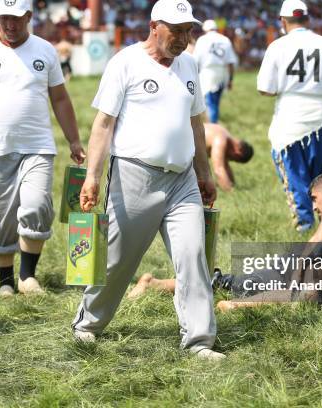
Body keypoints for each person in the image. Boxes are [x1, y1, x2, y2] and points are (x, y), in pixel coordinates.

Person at [71, 0, 223, 360]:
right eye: (177, 30)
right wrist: (92, 176)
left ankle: (199, 341)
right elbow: (103, 125)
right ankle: (87, 325)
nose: (185, 38)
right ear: (155, 26)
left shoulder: (189, 65)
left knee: (193, 256)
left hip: (182, 181)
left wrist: (204, 172)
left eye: (189, 31)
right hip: (133, 177)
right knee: (116, 261)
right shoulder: (126, 62)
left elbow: (196, 123)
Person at [130, 173, 322, 312]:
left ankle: (251, 299)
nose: (317, 208)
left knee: (311, 266)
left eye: (315, 201)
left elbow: (319, 243)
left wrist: (293, 272)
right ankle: (156, 283)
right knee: (249, 281)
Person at [0, 0, 85, 297]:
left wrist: (74, 140)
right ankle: (5, 281)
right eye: (4, 19)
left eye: (16, 19)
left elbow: (60, 99)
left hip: (38, 146)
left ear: (28, 16)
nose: (9, 25)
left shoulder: (45, 50)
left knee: (37, 206)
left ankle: (27, 276)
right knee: (1, 218)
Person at [257, 0, 322, 233]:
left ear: (282, 21)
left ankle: (305, 228)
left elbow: (265, 89)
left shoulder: (277, 46)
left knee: (296, 179)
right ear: (307, 19)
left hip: (290, 120)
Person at [192, 19, 238, 123]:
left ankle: (213, 126)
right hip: (222, 73)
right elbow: (231, 62)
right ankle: (213, 122)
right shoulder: (225, 39)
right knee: (215, 101)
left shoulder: (202, 40)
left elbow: (195, 60)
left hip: (207, 73)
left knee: (210, 102)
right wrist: (230, 79)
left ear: (205, 29)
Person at [204, 122, 254, 192]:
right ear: (238, 153)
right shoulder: (220, 140)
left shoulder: (225, 134)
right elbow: (218, 170)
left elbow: (225, 166)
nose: (230, 159)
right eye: (234, 159)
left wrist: (233, 186)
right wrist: (231, 192)